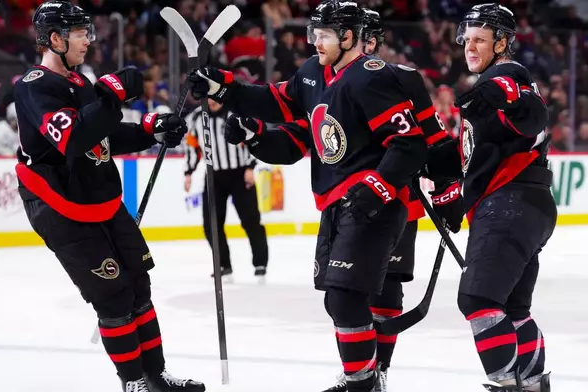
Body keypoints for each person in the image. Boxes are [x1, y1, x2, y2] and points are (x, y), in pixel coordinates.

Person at [189, 2, 428, 391]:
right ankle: (363, 380)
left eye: (324, 35)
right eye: (313, 34)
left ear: (348, 37)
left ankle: (364, 382)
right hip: (336, 202)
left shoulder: (372, 76)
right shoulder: (313, 74)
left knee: (348, 296)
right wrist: (225, 90)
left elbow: (410, 143)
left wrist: (380, 187)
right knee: (339, 300)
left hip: (372, 204)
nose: (314, 42)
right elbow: (276, 106)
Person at [13, 2, 204, 391]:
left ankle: (155, 376)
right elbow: (73, 138)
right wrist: (113, 97)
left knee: (139, 286)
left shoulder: (81, 83)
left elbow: (103, 134)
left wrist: (151, 129)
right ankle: (132, 382)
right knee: (114, 296)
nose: (89, 40)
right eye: (81, 33)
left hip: (98, 197)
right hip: (59, 204)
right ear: (55, 39)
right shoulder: (34, 86)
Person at [426, 3, 554, 391]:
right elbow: (468, 155)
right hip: (523, 207)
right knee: (513, 308)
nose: (470, 47)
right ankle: (532, 386)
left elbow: (531, 112)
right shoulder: (485, 94)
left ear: (502, 43)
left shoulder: (506, 76)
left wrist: (501, 93)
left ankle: (505, 385)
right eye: (467, 40)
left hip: (509, 204)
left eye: (480, 40)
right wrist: (420, 159)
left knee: (478, 298)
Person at [183, 99, 268, 283]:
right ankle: (224, 265)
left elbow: (252, 139)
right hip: (214, 177)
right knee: (211, 224)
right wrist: (188, 172)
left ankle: (260, 264)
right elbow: (193, 146)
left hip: (240, 174)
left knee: (251, 221)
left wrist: (250, 167)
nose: (211, 101)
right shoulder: (198, 117)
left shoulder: (235, 113)